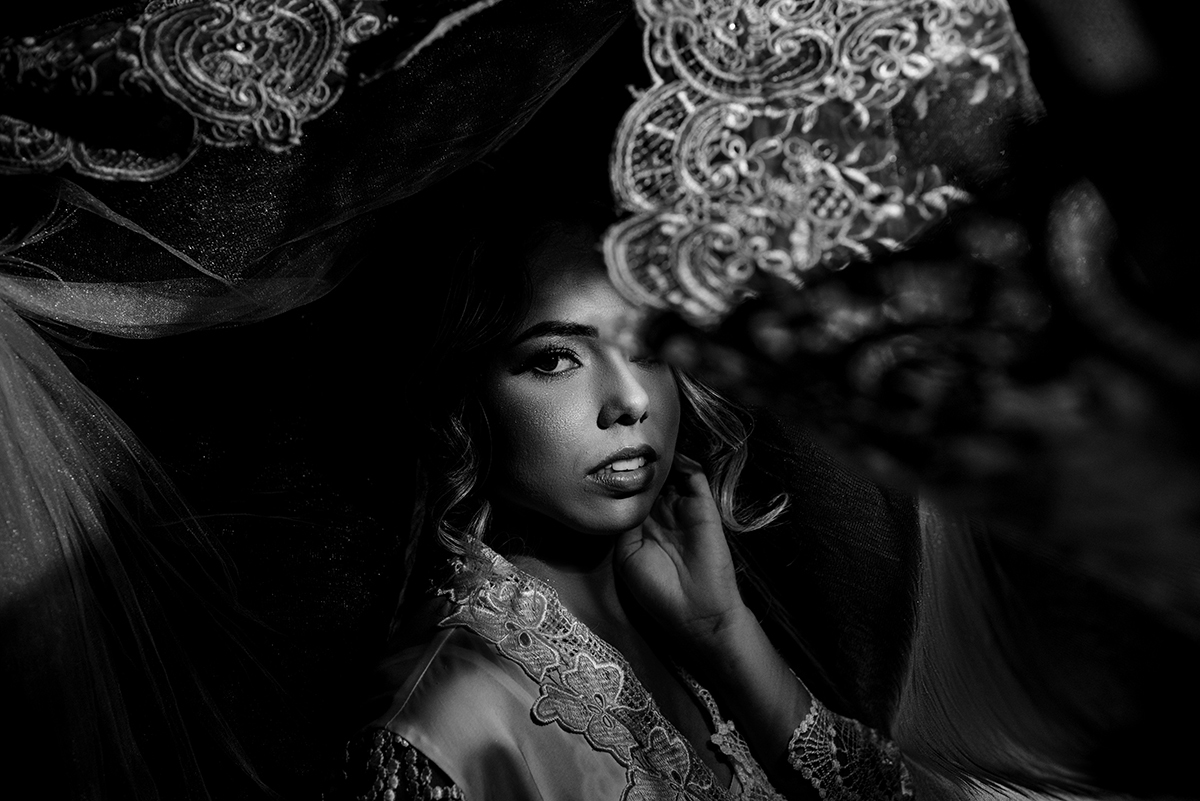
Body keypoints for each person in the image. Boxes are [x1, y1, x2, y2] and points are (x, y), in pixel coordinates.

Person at [326, 213, 912, 800]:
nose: (631, 400)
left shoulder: (684, 621)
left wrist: (724, 631)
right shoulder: (441, 723)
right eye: (555, 360)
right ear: (458, 396)